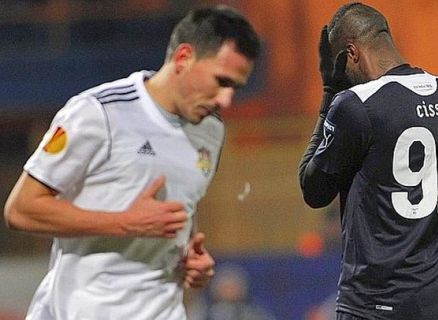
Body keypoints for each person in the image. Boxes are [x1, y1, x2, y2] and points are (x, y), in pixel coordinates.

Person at [4, 5, 261, 320]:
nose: (226, 100)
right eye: (221, 81)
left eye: (234, 87)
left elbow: (177, 214)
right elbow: (21, 210)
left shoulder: (212, 132)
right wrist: (125, 223)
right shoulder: (99, 113)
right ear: (183, 58)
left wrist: (191, 263)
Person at [299, 3, 438, 320]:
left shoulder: (358, 105)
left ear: (352, 52)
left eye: (341, 65)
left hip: (377, 300)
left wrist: (330, 97)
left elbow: (313, 190)